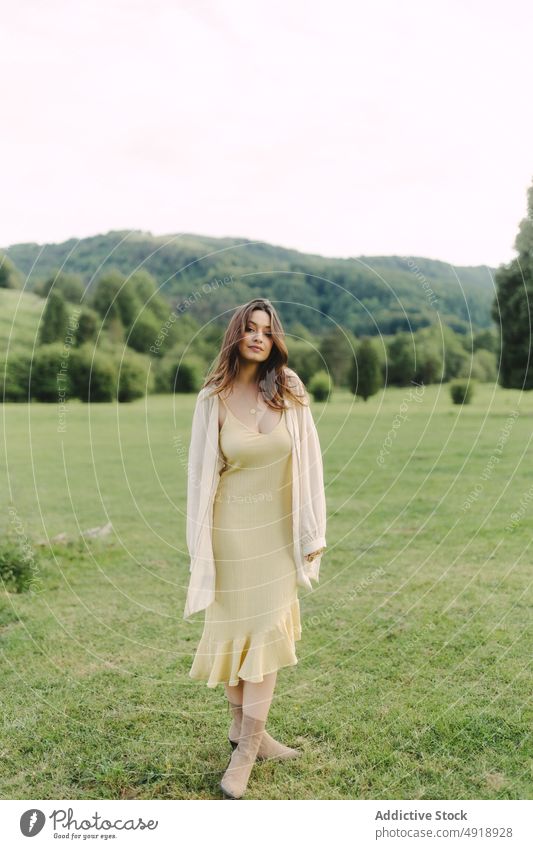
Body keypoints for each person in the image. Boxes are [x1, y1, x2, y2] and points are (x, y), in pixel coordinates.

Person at [185, 297, 327, 799]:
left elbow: (309, 461)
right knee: (234, 634)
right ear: (236, 335)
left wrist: (312, 532)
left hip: (276, 533)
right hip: (230, 532)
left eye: (267, 329)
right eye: (249, 327)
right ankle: (251, 735)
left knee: (265, 633)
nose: (258, 336)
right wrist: (198, 544)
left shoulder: (289, 389)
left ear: (275, 339)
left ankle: (245, 750)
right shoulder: (214, 397)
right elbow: (201, 475)